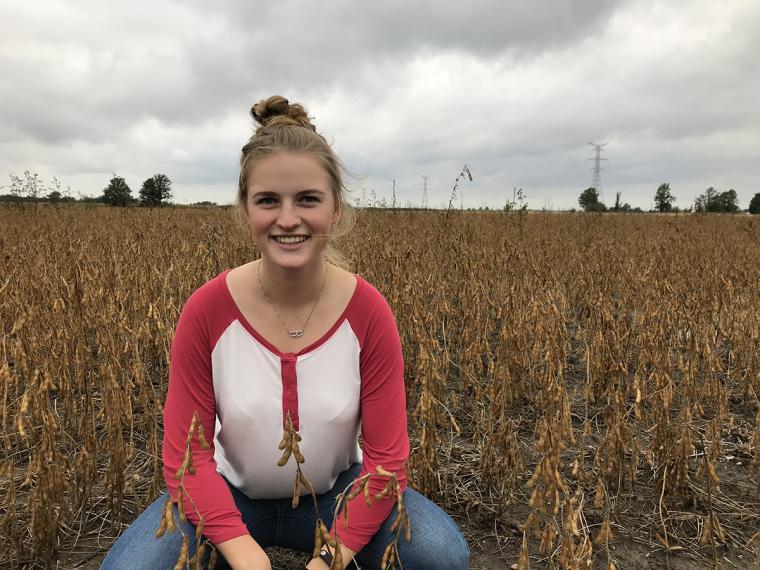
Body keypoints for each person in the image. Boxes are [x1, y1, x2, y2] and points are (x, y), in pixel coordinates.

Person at [102, 96, 469, 569]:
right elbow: (187, 461)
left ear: (335, 210)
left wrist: (329, 561)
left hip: (337, 494)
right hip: (225, 493)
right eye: (268, 200)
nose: (288, 218)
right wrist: (247, 556)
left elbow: (385, 466)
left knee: (441, 555)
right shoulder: (207, 310)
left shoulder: (369, 312)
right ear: (247, 211)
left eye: (308, 199)